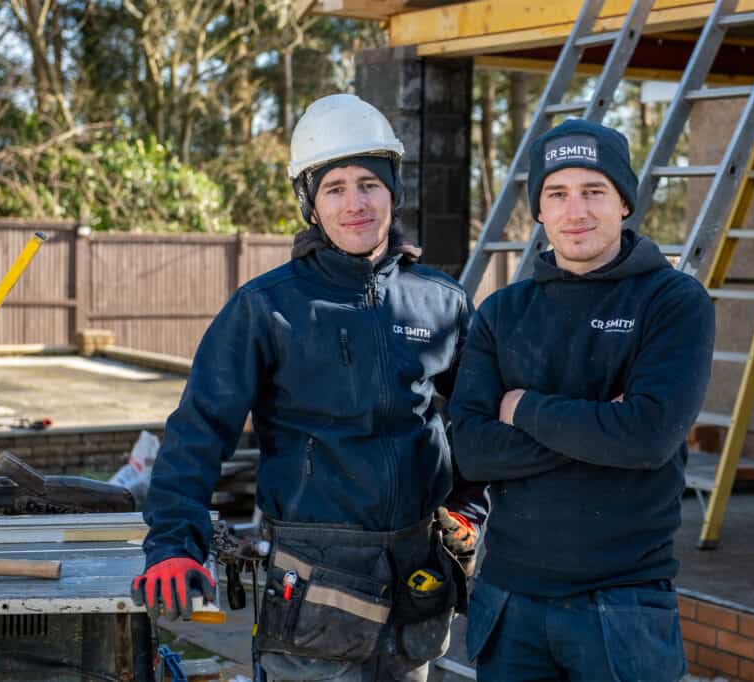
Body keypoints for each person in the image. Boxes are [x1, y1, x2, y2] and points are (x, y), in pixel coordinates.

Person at [131, 94, 487, 682]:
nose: (356, 203)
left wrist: (470, 507)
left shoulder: (440, 301)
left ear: (393, 191)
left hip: (415, 589)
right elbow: (198, 431)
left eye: (369, 183)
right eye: (336, 187)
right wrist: (172, 540)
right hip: (313, 591)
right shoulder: (267, 308)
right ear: (310, 204)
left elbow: (479, 420)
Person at [448, 118, 715, 682]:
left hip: (621, 604)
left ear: (624, 203)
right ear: (539, 210)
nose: (576, 212)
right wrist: (602, 425)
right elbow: (470, 451)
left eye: (594, 191)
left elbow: (648, 437)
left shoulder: (673, 301)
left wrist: (524, 410)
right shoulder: (503, 311)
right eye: (558, 194)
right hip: (509, 601)